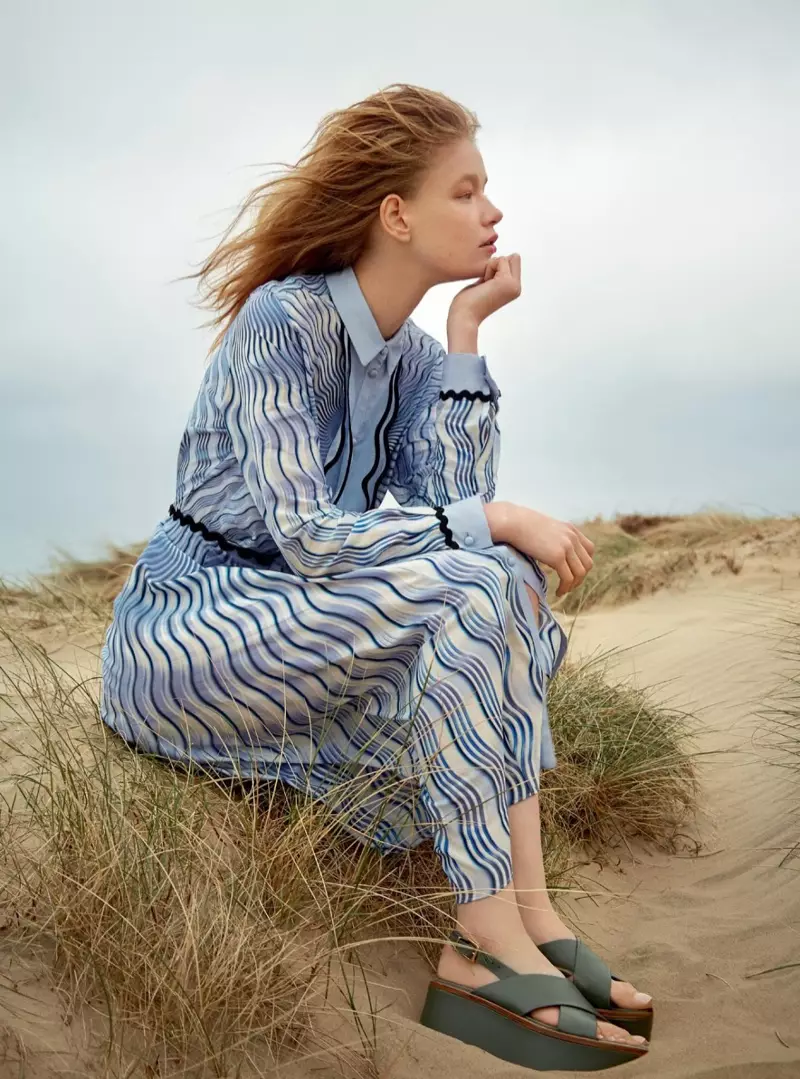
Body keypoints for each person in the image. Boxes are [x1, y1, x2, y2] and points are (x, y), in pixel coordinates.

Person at [99, 83, 652, 1067]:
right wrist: (492, 520)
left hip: (298, 623)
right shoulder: (282, 321)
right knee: (489, 565)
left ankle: (527, 911)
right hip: (192, 632)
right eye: (465, 191)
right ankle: (485, 941)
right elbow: (313, 538)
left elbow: (458, 537)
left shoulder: (408, 359)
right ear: (395, 214)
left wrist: (468, 340)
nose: (491, 213)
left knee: (505, 578)